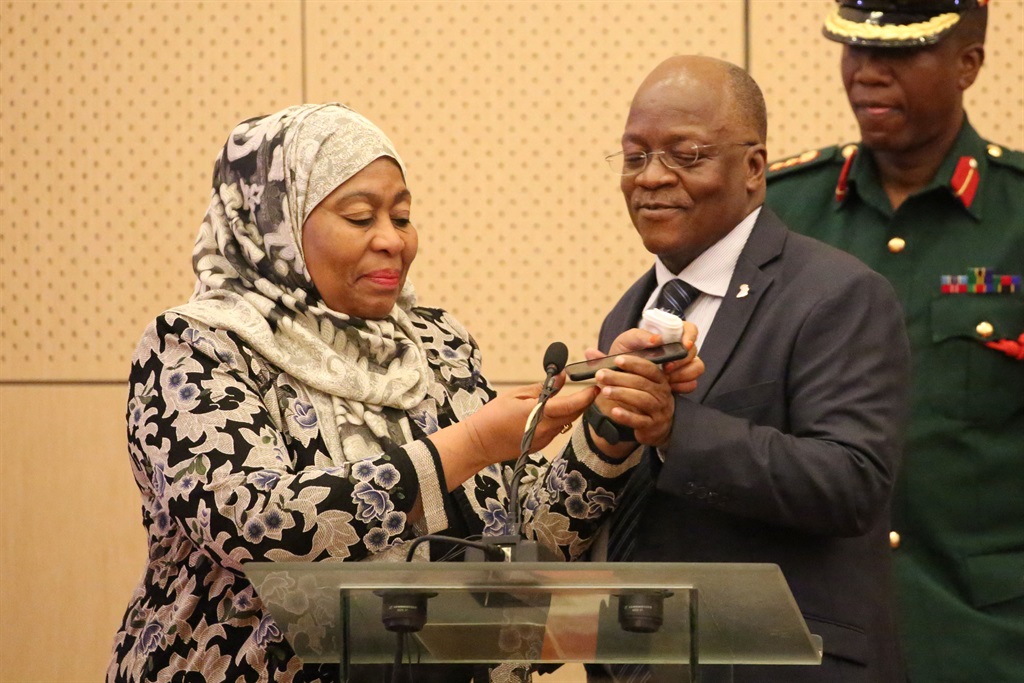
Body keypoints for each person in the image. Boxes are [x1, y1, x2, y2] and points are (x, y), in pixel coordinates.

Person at [106, 103, 700, 683]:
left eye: (403, 216)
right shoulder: (197, 346)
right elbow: (261, 526)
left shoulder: (437, 344)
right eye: (361, 218)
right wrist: (467, 445)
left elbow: (524, 550)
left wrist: (608, 425)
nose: (393, 240)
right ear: (276, 227)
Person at [585, 55, 912, 683]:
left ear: (754, 169)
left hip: (787, 663)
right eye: (634, 156)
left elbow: (853, 483)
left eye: (685, 155)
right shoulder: (630, 315)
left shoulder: (836, 294)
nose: (651, 178)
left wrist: (678, 431)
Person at [764, 1, 1024, 680]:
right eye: (855, 50)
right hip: (817, 635)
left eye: (900, 55)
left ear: (969, 63)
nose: (867, 75)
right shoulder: (785, 214)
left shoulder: (1018, 216)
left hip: (986, 634)